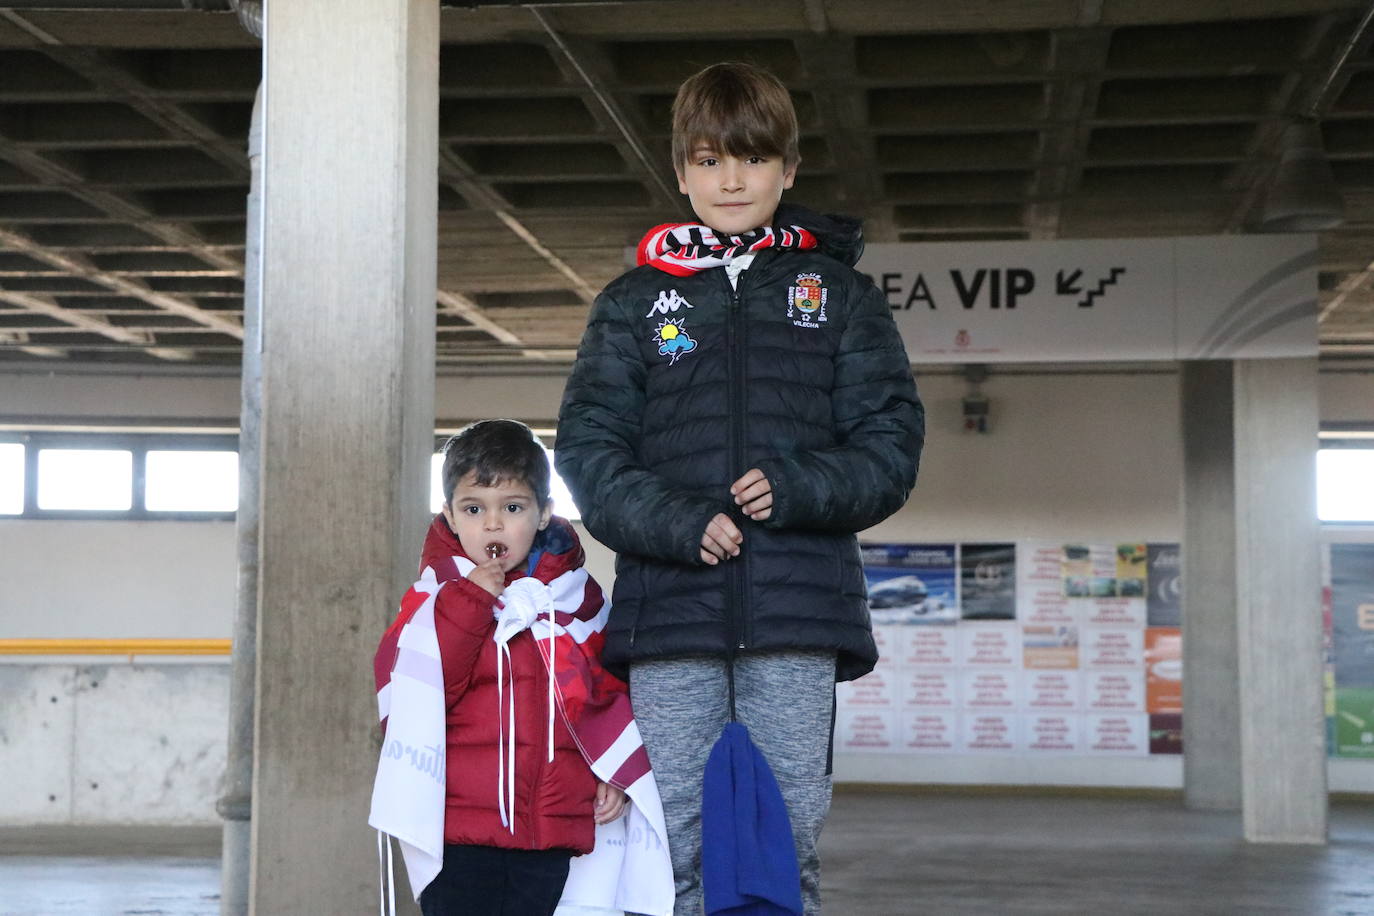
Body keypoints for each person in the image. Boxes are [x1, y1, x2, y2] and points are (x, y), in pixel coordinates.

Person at [555, 62, 924, 915]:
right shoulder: (633, 302)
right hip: (669, 613)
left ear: (788, 170)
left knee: (785, 842)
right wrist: (679, 522)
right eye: (711, 160)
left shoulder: (839, 297)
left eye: (753, 160)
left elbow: (891, 444)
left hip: (797, 615)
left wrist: (797, 487)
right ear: (681, 172)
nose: (732, 180)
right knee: (671, 840)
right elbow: (589, 449)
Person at [371, 419, 630, 916]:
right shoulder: (433, 598)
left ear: (543, 514)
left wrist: (613, 770)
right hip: (456, 832)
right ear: (448, 515)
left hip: (549, 828)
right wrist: (471, 603)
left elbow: (608, 693)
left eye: (512, 508)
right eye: (474, 509)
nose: (493, 524)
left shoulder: (575, 598)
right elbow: (421, 694)